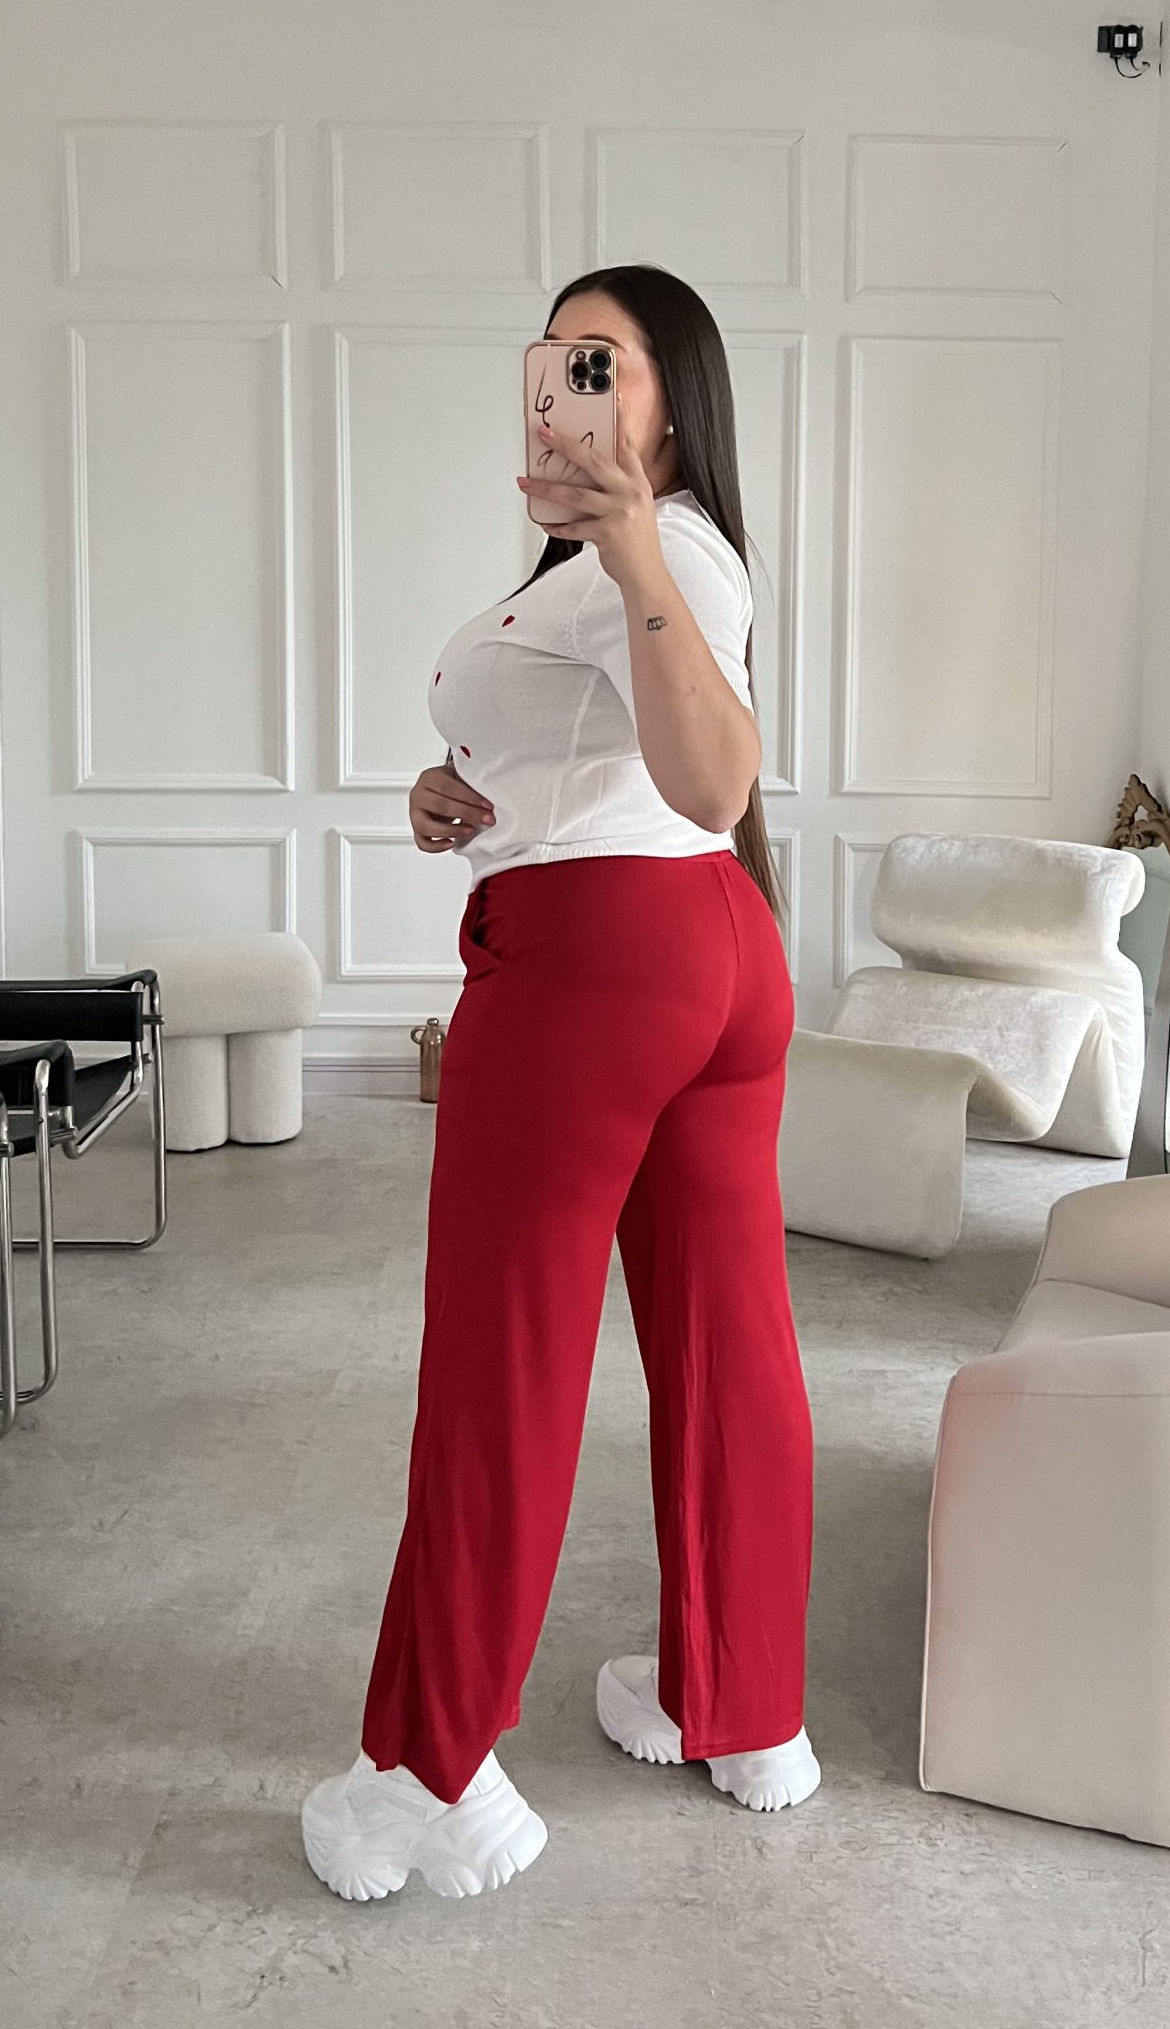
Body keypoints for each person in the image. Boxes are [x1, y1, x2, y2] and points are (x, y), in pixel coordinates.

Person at [302, 264, 818, 1904]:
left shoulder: (662, 553)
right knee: (728, 1337)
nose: (561, 390)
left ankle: (424, 1771)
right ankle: (743, 1708)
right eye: (551, 360)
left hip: (598, 971)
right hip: (713, 956)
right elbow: (609, 768)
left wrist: (634, 545)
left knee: (500, 1364)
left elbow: (714, 778)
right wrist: (459, 794)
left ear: (673, 400)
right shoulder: (618, 566)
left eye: (602, 363)